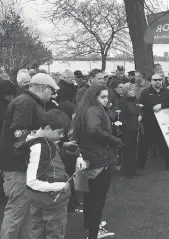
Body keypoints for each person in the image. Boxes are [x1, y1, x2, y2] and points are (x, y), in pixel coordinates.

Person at [0, 73, 59, 239]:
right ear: (44, 88)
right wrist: (43, 136)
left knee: (25, 214)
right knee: (16, 213)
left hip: (23, 166)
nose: (53, 95)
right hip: (18, 167)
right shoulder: (26, 102)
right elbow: (18, 135)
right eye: (51, 91)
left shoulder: (28, 101)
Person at [24, 109, 86, 239]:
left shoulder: (44, 141)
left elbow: (57, 152)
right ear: (47, 128)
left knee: (37, 231)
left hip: (41, 200)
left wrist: (77, 157)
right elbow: (31, 181)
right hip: (52, 199)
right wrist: (58, 186)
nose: (62, 136)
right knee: (54, 234)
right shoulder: (40, 147)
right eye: (60, 132)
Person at [73, 85, 121, 239]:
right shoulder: (93, 110)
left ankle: (90, 226)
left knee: (91, 196)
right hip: (99, 159)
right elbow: (94, 130)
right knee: (97, 199)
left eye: (107, 97)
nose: (107, 100)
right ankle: (93, 232)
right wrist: (115, 141)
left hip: (93, 157)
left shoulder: (87, 109)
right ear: (94, 97)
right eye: (103, 97)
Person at [138, 74, 169, 170]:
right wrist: (152, 107)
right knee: (144, 145)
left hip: (164, 123)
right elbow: (141, 105)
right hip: (149, 122)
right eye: (155, 80)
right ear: (151, 81)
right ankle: (139, 166)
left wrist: (162, 105)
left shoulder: (167, 92)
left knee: (166, 144)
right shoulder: (145, 92)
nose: (158, 81)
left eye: (159, 79)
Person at [0, 80, 16, 204]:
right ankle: (1, 196)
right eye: (10, 95)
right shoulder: (1, 108)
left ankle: (1, 195)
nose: (12, 97)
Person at [119, 83, 141, 178]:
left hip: (136, 127)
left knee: (134, 149)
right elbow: (121, 116)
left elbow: (139, 111)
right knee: (127, 150)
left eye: (133, 89)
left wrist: (140, 115)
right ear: (125, 92)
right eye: (130, 89)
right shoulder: (122, 102)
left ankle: (133, 170)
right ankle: (127, 171)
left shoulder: (136, 100)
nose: (132, 91)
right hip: (127, 128)